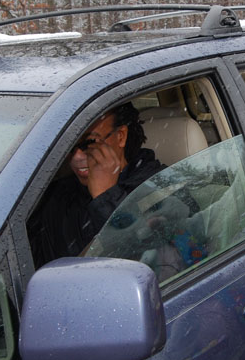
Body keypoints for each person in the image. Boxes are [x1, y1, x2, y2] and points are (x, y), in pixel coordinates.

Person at [28, 102, 164, 266]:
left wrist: (106, 196)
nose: (77, 157)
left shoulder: (158, 185)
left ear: (121, 136)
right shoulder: (55, 195)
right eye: (68, 146)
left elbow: (147, 259)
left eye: (89, 143)